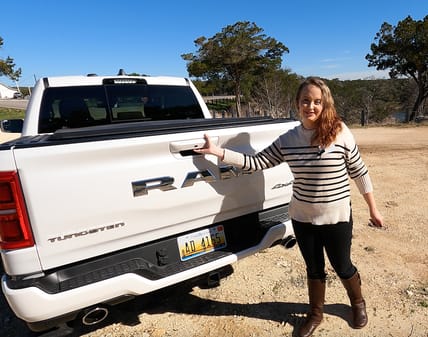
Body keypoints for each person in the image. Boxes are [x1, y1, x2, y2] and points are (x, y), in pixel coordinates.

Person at [195, 76, 384, 337]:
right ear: (297, 104)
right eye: (306, 101)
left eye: (317, 101)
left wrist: (373, 208)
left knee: (342, 265)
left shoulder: (340, 132)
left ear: (325, 103)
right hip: (303, 217)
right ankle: (315, 314)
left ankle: (357, 303)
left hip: (337, 216)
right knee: (313, 268)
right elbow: (257, 162)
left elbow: (359, 171)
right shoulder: (289, 139)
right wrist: (219, 152)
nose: (311, 106)